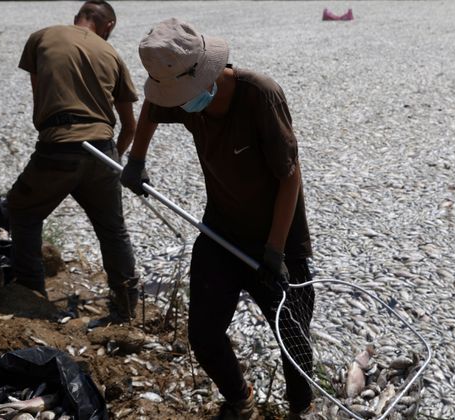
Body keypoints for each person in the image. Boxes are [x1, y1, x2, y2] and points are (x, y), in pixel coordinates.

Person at [121, 18, 316, 419]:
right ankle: (239, 399)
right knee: (204, 334)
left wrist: (275, 251)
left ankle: (300, 409)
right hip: (221, 230)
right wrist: (136, 160)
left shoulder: (260, 95)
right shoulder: (180, 97)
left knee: (292, 337)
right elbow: (152, 109)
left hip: (277, 238)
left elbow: (290, 177)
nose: (182, 102)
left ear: (204, 72)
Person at [7, 0, 140, 322]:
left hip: (57, 146)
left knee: (22, 212)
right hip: (104, 150)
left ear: (78, 16)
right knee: (112, 230)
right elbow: (130, 125)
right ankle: (125, 308)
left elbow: (40, 101)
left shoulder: (41, 37)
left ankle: (31, 295)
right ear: (107, 26)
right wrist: (113, 160)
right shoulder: (112, 55)